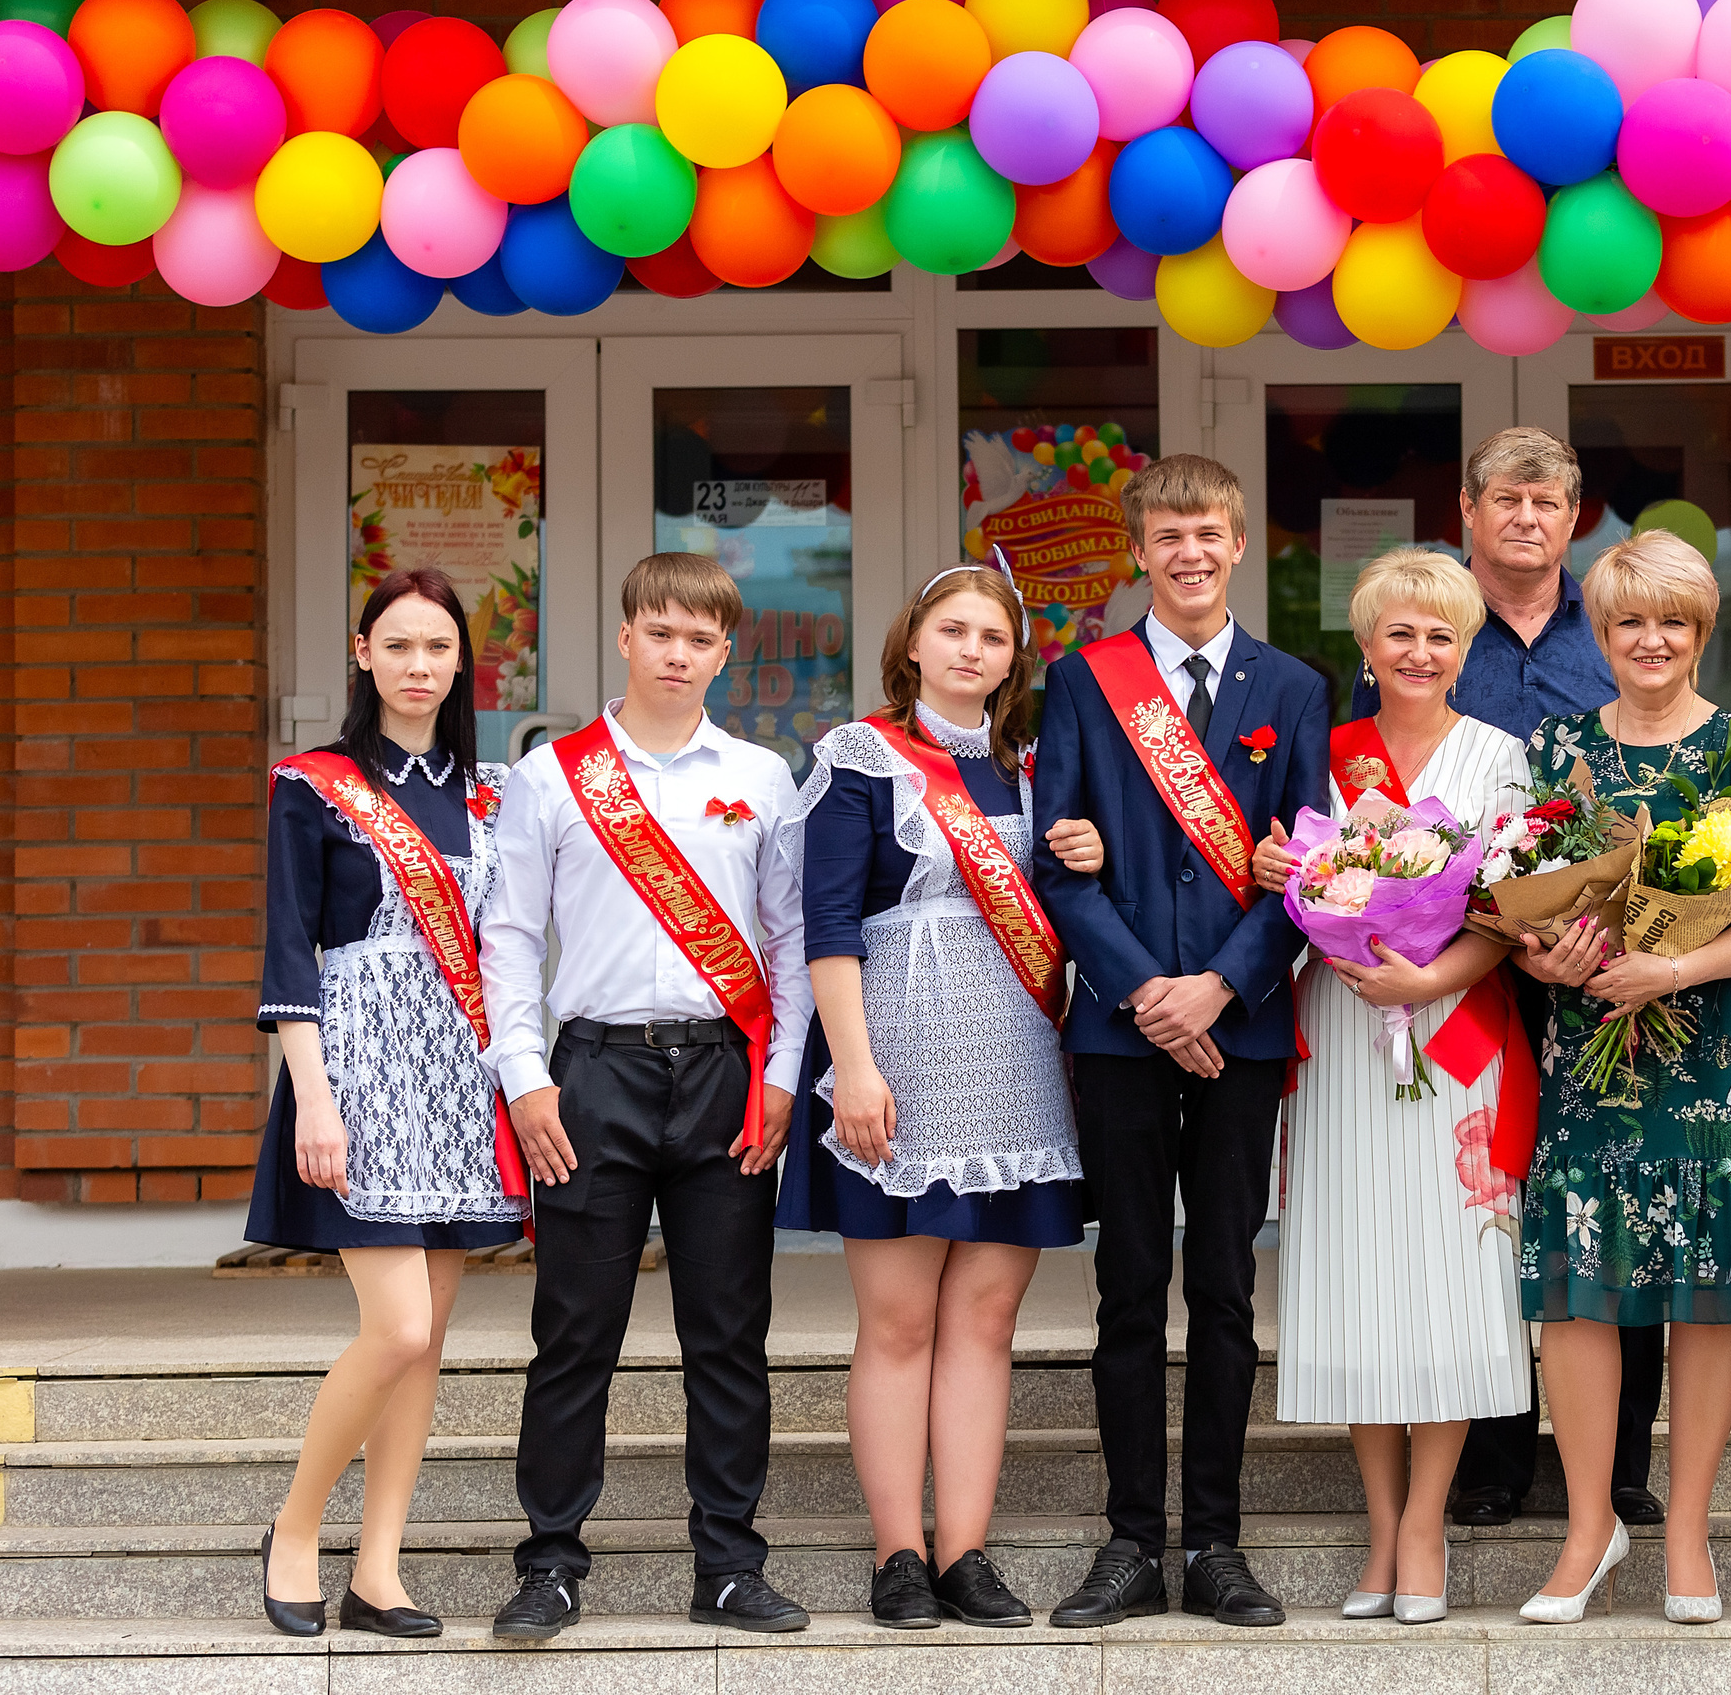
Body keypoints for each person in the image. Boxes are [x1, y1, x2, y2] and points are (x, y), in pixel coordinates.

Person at [477, 552, 814, 1639]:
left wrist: (780, 1075)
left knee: (729, 1332)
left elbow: (791, 937)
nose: (678, 654)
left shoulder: (762, 776)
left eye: (701, 639)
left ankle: (727, 1561)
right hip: (592, 1078)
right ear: (625, 637)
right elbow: (511, 935)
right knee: (576, 1332)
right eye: (659, 632)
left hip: (724, 1076)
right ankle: (550, 1564)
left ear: (725, 651)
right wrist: (525, 1079)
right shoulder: (551, 776)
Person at [773, 563, 1103, 1629]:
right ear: (912, 642)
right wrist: (853, 1067)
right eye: (951, 630)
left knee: (988, 1320)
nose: (970, 650)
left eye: (993, 637)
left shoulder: (1038, 768)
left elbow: (1068, 906)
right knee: (901, 1322)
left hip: (1012, 1069)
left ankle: (965, 1552)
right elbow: (826, 926)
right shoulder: (857, 757)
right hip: (897, 1067)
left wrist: (1085, 852)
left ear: (1014, 660)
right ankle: (897, 1556)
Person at [1031, 454, 1330, 1629]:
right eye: (1167, 536)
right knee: (1126, 1288)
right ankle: (1128, 1544)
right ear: (1140, 549)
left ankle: (1214, 1543)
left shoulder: (1293, 688)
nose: (1189, 554)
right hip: (1118, 1032)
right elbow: (1060, 856)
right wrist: (1150, 993)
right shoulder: (1082, 681)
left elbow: (1308, 866)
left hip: (1240, 1030)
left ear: (1239, 543)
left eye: (1208, 533)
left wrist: (1218, 989)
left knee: (1222, 1290)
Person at [1348, 428, 1662, 1536]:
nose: (1527, 518)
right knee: (1475, 1211)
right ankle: (1492, 1460)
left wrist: (1604, 936)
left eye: (1549, 501)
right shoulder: (1433, 630)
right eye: (1507, 500)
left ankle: (1620, 1467)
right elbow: (1373, 811)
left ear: (1576, 518)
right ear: (1469, 509)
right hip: (1460, 977)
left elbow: (1645, 792)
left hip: (1600, 972)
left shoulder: (1615, 627)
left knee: (1603, 1207)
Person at [1496, 532, 1731, 1627]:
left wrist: (1670, 963)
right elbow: (1517, 898)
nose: (1651, 641)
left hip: (1712, 1054)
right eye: (1630, 621)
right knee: (1578, 1290)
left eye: (1673, 621)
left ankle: (1686, 1530)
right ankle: (1589, 1527)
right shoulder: (1555, 747)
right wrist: (1551, 953)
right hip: (1588, 1056)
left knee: (1705, 1289)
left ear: (1701, 632)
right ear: (1601, 632)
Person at [1254, 547, 1533, 1626]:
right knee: (1360, 1272)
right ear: (1365, 647)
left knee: (1447, 1276)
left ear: (1464, 651)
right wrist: (1290, 883)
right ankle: (1379, 1526)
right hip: (1343, 1020)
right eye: (1400, 633)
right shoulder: (1320, 759)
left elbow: (1512, 913)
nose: (1420, 652)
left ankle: (1426, 1527)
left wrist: (1431, 973)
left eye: (1441, 635)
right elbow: (1284, 885)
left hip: (1456, 1032)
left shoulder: (1501, 758)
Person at [252, 568, 528, 1639]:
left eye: (440, 649)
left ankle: (379, 1570)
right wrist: (310, 1099)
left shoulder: (493, 792)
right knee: (397, 1325)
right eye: (400, 646)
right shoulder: (312, 783)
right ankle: (292, 1528)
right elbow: (289, 952)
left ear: (463, 663)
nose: (420, 666)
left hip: (461, 1073)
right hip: (360, 1068)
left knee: (430, 1339)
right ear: (362, 653)